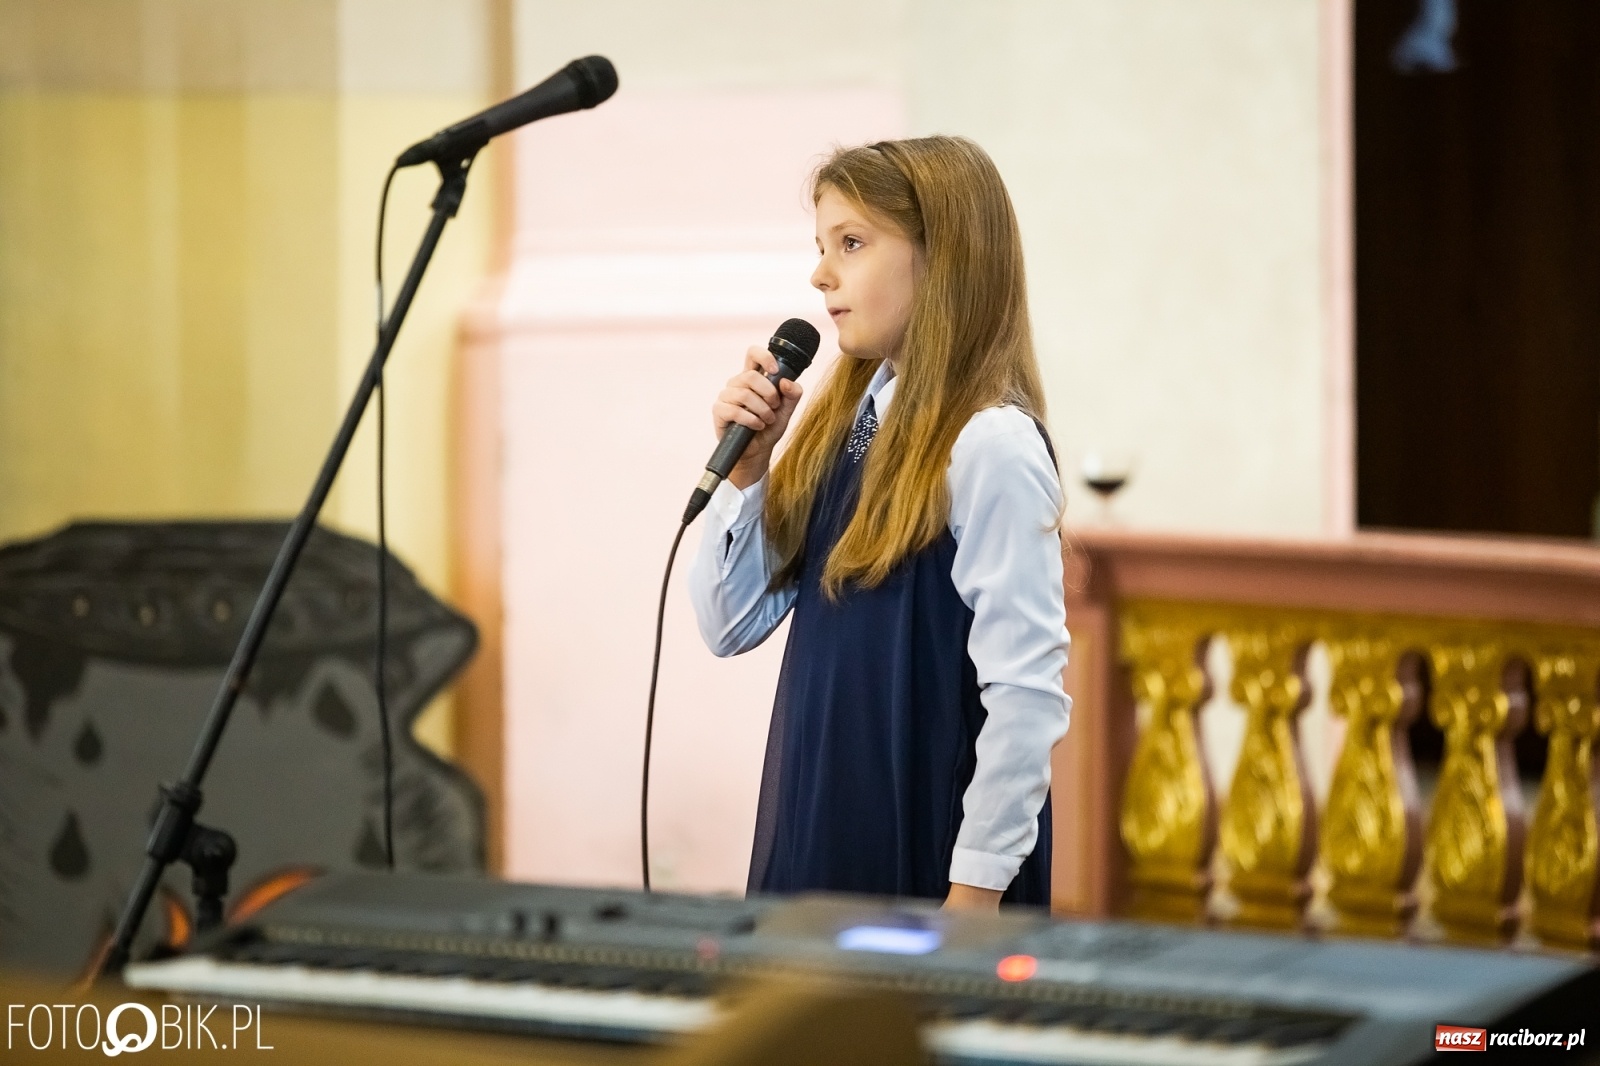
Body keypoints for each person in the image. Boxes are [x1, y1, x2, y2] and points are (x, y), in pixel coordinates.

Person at [687, 136, 1070, 911]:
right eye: (821, 247)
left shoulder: (988, 444)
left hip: (926, 847)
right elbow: (727, 622)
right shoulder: (848, 425)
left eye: (852, 243)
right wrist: (747, 472)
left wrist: (974, 894)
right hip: (827, 817)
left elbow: (1025, 694)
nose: (820, 273)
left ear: (944, 258)